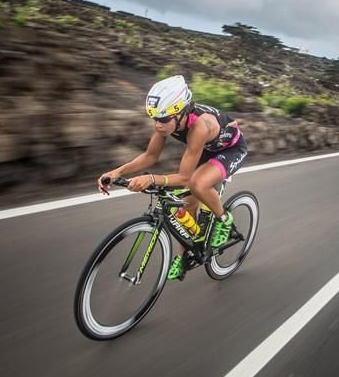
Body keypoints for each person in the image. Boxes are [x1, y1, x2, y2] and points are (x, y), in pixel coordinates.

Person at [97, 75, 248, 281]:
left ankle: (224, 219)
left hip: (231, 149)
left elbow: (185, 178)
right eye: (155, 119)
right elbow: (150, 156)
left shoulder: (200, 126)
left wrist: (151, 179)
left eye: (163, 119)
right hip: (205, 149)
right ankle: (184, 254)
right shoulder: (166, 119)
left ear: (181, 112)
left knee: (197, 183)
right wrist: (117, 172)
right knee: (184, 205)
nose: (158, 125)